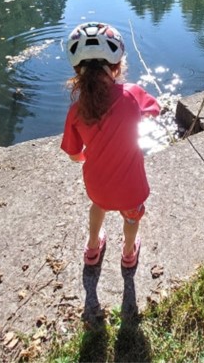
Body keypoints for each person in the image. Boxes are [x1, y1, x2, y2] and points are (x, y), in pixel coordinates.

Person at [61, 21, 160, 268]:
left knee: (98, 207)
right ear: (116, 66)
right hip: (131, 188)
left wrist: (87, 157)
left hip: (98, 187)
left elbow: (74, 155)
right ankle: (128, 254)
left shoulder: (75, 111)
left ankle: (92, 248)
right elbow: (155, 110)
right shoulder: (132, 94)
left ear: (77, 70)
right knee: (131, 217)